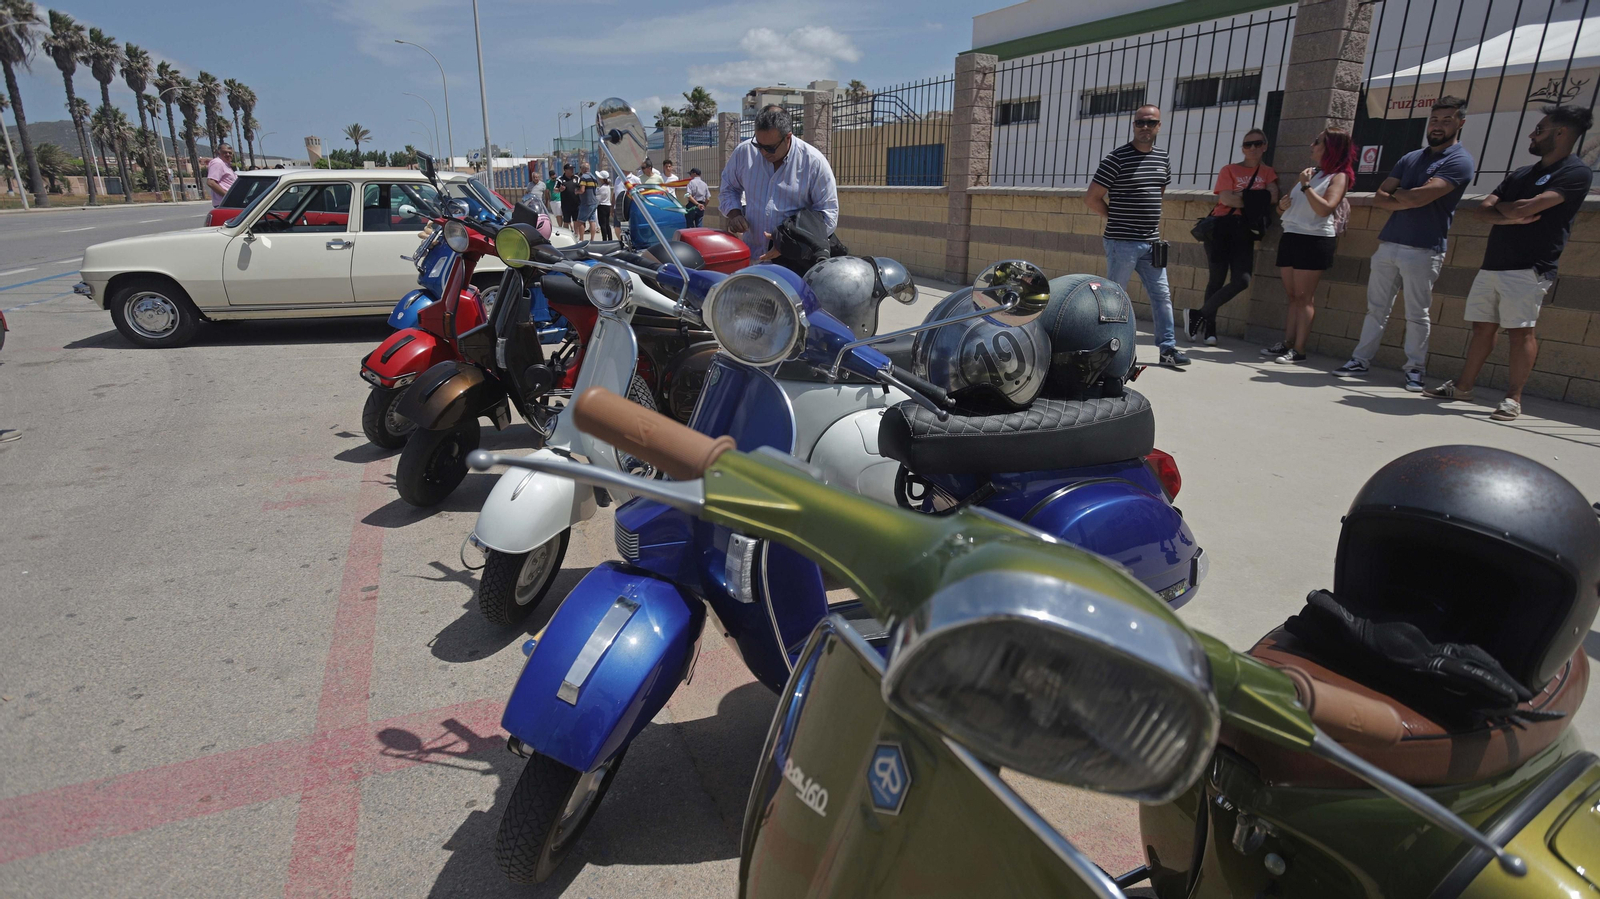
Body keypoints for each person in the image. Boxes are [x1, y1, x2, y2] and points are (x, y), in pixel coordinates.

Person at [1423, 105, 1595, 421]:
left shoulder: (1575, 172)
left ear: (1561, 133)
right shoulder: (1521, 174)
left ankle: (1513, 398)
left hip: (1530, 267)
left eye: (1540, 129)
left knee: (1520, 332)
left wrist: (1505, 212)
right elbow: (1483, 210)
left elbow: (1523, 207)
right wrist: (1509, 216)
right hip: (1493, 264)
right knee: (1481, 329)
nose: (1532, 134)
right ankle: (1463, 387)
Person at [1335, 98, 1476, 390]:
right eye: (1435, 120)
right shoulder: (1411, 157)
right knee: (1376, 308)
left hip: (1424, 248)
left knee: (1417, 312)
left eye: (1446, 120)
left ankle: (1414, 369)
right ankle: (1360, 359)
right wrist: (1407, 197)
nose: (1438, 126)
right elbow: (1379, 197)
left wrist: (1400, 196)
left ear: (1460, 123)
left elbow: (1415, 198)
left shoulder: (1459, 160)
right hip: (1389, 243)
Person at [1086, 104, 1184, 366]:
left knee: (1162, 296)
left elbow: (1158, 194)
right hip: (1122, 243)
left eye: (1151, 123)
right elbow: (1092, 198)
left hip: (1152, 243)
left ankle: (1168, 349)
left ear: (1159, 126)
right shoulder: (1117, 158)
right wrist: (1115, 218)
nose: (1145, 127)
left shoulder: (1162, 159)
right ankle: (1107, 348)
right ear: (1134, 126)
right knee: (1114, 297)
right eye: (1140, 122)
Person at [1261, 128, 1355, 364]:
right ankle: (1288, 342)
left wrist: (1306, 186)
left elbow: (1324, 208)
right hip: (1291, 235)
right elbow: (1285, 208)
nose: (1311, 145)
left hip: (1315, 239)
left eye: (1318, 141)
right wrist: (1282, 206)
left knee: (1304, 297)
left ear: (1330, 147)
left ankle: (1299, 350)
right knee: (1293, 296)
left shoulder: (1338, 176)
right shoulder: (1309, 173)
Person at [1188, 129, 1279, 345]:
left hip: (1245, 230)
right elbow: (1228, 199)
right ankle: (1210, 330)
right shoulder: (1229, 169)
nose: (1253, 148)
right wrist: (1258, 198)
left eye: (1257, 143)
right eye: (1248, 145)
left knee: (1242, 280)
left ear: (1265, 146)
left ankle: (1198, 314)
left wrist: (1245, 197)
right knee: (1216, 280)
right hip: (1221, 227)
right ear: (1242, 148)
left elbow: (1274, 197)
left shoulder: (1267, 172)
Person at [719, 106, 839, 259]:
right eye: (758, 145)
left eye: (769, 148)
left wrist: (789, 243)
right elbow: (728, 188)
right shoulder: (744, 152)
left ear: (787, 137)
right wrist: (735, 214)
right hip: (753, 258)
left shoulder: (813, 162)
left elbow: (828, 216)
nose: (762, 152)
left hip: (795, 262)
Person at [205, 143, 237, 207]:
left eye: (230, 153)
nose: (228, 154)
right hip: (224, 203)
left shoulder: (226, 165)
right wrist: (227, 196)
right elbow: (211, 182)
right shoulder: (218, 163)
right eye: (225, 152)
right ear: (218, 152)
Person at [576, 162, 600, 240]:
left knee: (580, 221)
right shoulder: (593, 177)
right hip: (594, 201)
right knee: (592, 221)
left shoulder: (584, 177)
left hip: (586, 202)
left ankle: (581, 239)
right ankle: (592, 239)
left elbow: (582, 190)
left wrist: (576, 192)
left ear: (583, 169)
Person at [556, 163, 580, 231]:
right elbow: (555, 190)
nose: (572, 170)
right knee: (566, 221)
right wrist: (560, 189)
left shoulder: (577, 178)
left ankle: (576, 236)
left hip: (576, 204)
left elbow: (581, 187)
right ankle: (567, 235)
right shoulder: (560, 179)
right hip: (566, 204)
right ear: (566, 170)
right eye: (570, 169)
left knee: (576, 221)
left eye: (572, 169)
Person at [596, 171, 614, 241]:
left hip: (602, 206)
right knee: (607, 224)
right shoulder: (608, 186)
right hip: (607, 206)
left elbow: (598, 197)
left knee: (602, 224)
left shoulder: (602, 187)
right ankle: (610, 238)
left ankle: (604, 239)